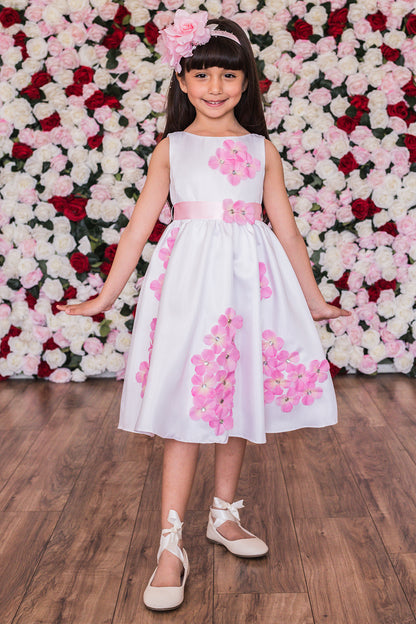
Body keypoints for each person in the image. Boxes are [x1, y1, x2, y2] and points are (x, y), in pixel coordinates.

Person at [57, 10, 350, 612]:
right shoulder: (173, 148)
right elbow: (139, 231)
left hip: (249, 285)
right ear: (182, 80)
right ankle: (170, 546)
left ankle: (223, 515)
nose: (215, 87)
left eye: (228, 76)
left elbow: (287, 232)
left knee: (238, 401)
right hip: (192, 287)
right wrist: (106, 297)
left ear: (247, 84)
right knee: (190, 409)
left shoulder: (261, 149)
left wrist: (314, 297)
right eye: (202, 74)